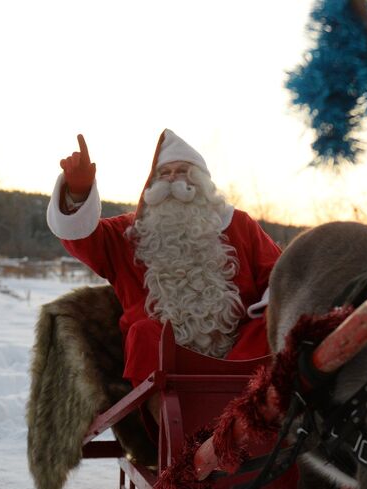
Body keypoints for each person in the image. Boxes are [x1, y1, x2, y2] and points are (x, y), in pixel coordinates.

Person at [46, 129, 282, 399]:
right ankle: (168, 427)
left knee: (272, 322)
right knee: (142, 333)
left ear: (202, 182)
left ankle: (245, 407)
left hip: (238, 356)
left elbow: (281, 276)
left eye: (182, 171)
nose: (172, 179)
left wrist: (267, 309)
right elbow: (82, 236)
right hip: (164, 363)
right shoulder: (129, 232)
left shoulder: (238, 225)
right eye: (164, 173)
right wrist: (78, 193)